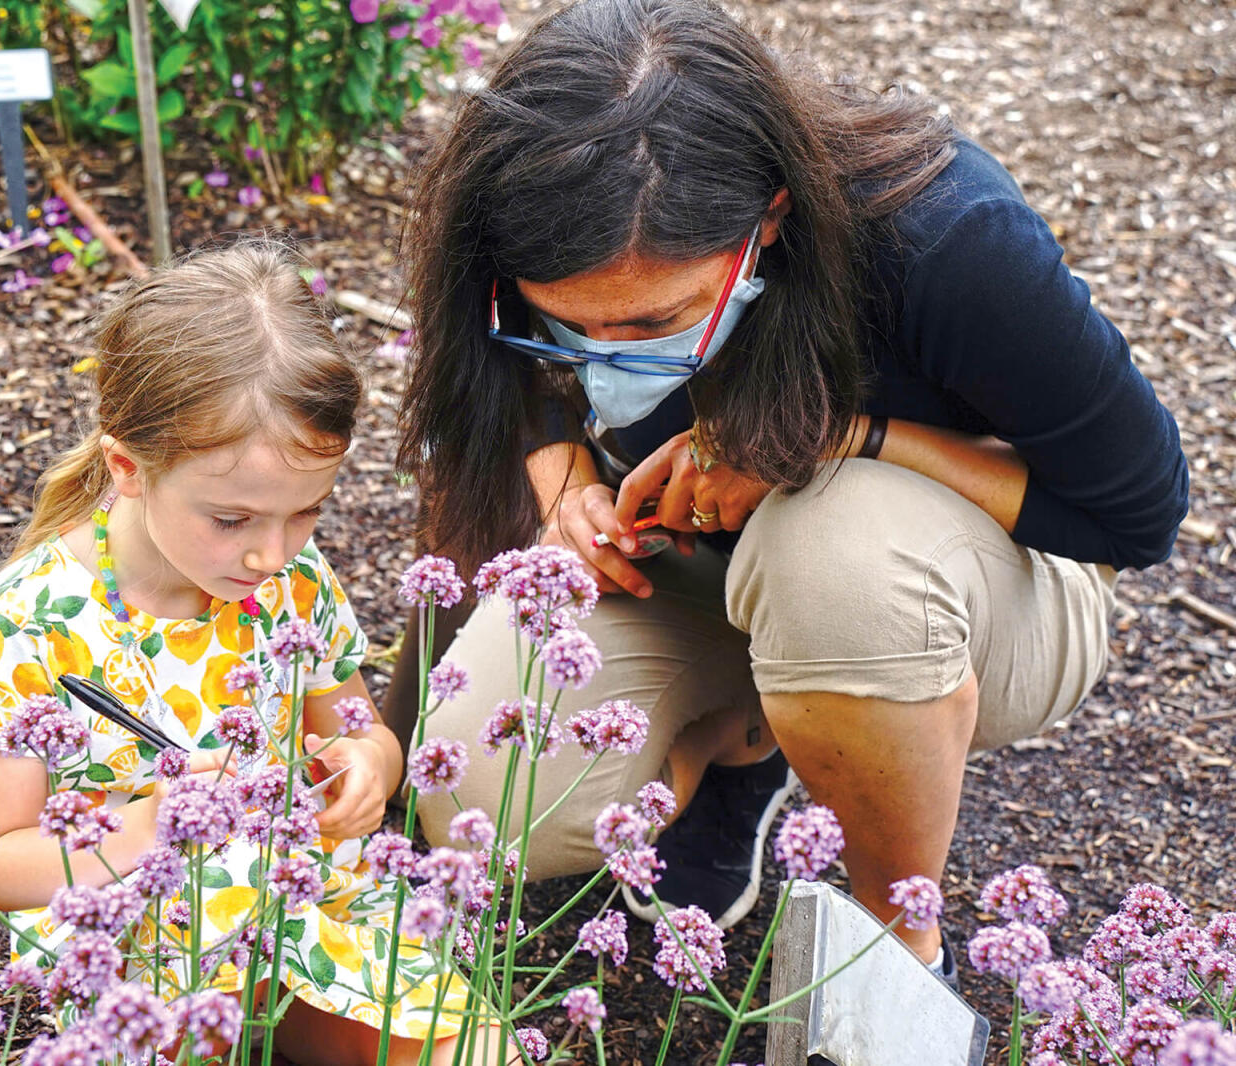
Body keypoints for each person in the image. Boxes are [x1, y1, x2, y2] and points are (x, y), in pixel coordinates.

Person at [392, 0, 1187, 976]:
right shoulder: (528, 239)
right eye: (570, 326)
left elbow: (1137, 513)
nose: (606, 362)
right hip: (690, 570)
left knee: (831, 552)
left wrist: (846, 437)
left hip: (963, 593)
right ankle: (743, 746)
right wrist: (563, 492)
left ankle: (894, 941)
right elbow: (510, 379)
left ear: (769, 216)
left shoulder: (945, 243)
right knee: (479, 806)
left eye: (652, 323)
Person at [0, 242, 476, 1065]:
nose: (270, 554)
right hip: (145, 946)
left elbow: (363, 731)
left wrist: (368, 769)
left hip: (309, 905)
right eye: (232, 519)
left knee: (475, 1051)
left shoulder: (295, 582)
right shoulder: (25, 625)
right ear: (128, 467)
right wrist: (145, 831)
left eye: (305, 515)